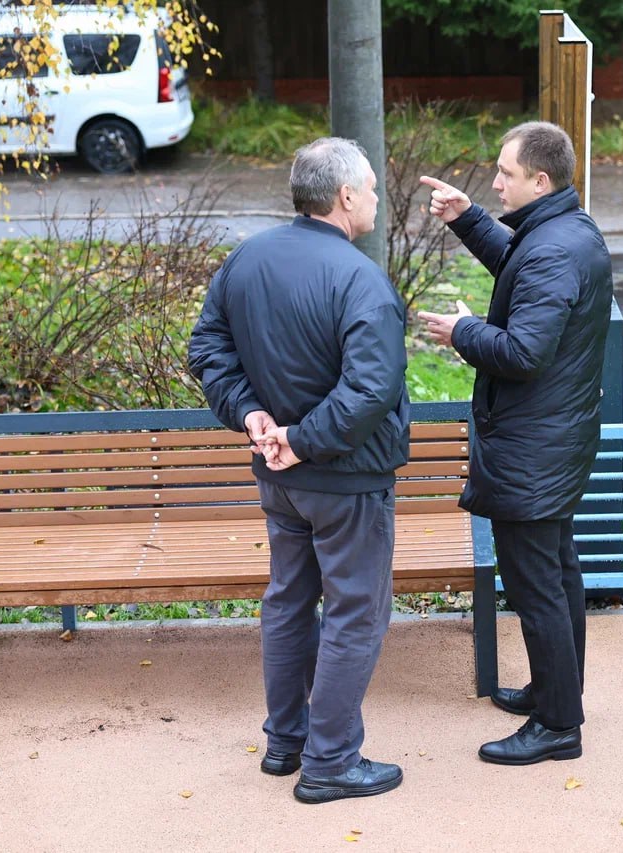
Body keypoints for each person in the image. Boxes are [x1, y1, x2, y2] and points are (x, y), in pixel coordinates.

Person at [188, 137, 409, 803]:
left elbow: (207, 347)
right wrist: (297, 437)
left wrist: (252, 414)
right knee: (355, 614)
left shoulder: (248, 259)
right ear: (344, 196)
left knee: (288, 601)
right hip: (345, 480)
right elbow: (371, 390)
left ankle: (286, 741)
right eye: (371, 188)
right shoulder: (360, 279)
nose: (376, 198)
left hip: (281, 477)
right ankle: (331, 761)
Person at [417, 121, 612, 765]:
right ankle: (557, 693)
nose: (495, 182)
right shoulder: (564, 230)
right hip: (554, 439)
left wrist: (463, 331)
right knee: (556, 573)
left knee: (537, 588)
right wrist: (468, 217)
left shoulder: (553, 249)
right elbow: (519, 266)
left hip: (533, 448)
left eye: (505, 173)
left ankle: (557, 726)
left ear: (541, 180)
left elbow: (525, 352)